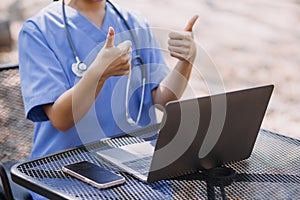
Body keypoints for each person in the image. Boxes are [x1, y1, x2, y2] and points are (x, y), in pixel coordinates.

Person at [19, 0, 198, 198]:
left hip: (134, 166)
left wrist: (185, 62)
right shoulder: (39, 30)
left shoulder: (133, 22)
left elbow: (163, 100)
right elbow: (61, 120)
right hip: (65, 172)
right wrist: (98, 74)